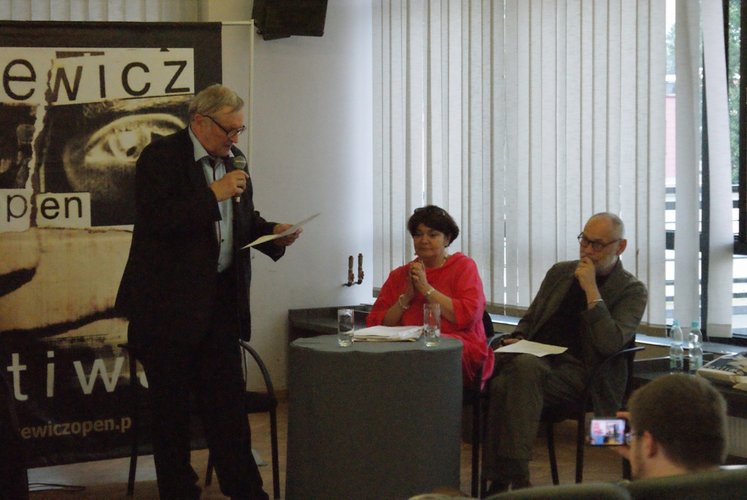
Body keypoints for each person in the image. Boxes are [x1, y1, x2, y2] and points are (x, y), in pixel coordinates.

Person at [115, 84, 300, 500]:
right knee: (171, 413)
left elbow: (242, 222)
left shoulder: (235, 162)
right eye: (228, 130)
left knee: (227, 408)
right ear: (199, 121)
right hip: (166, 309)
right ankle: (179, 491)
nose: (234, 139)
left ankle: (247, 491)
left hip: (219, 305)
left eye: (240, 130)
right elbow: (158, 220)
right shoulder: (161, 157)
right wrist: (212, 193)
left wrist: (273, 233)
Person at [482, 212, 648, 494]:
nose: (587, 250)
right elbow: (530, 319)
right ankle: (512, 478)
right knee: (509, 376)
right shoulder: (560, 272)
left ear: (620, 247)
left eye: (597, 245)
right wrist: (518, 338)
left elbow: (609, 344)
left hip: (584, 372)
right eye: (584, 241)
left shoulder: (632, 290)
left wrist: (591, 290)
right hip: (535, 360)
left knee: (514, 376)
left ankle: (504, 482)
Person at [366, 205, 495, 389]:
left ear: (447, 239)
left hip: (455, 349)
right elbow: (378, 325)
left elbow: (468, 316)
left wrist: (425, 288)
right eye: (418, 235)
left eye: (432, 235)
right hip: (406, 348)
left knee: (419, 359)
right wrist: (406, 297)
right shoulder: (400, 274)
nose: (424, 240)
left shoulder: (463, 267)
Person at [616, 373, 728, 480]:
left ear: (648, 443)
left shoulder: (616, 492)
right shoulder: (735, 487)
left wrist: (640, 456)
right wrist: (641, 458)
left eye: (632, 435)